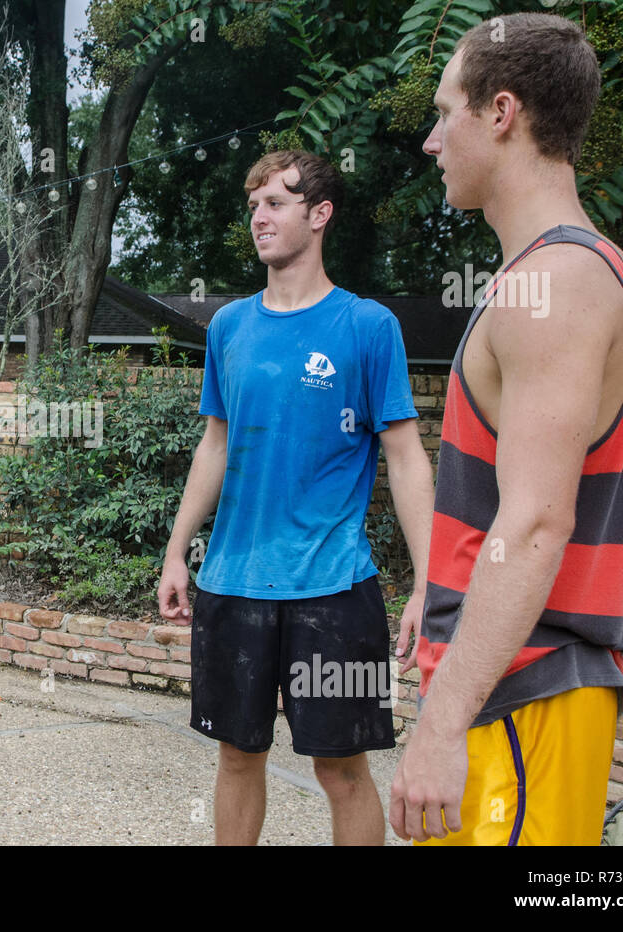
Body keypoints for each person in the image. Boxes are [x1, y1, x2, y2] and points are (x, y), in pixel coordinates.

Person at [390, 13, 623, 846]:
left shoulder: (560, 283)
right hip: (517, 693)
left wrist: (438, 725)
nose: (433, 141)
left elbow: (538, 522)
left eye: (445, 113)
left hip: (523, 697)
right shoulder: (562, 274)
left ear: (501, 113)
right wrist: (437, 592)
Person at [158, 150, 436, 846]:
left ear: (320, 215)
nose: (259, 217)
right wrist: (175, 549)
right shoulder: (229, 328)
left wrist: (432, 582)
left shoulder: (367, 327)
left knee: (342, 770)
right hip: (233, 581)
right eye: (253, 205)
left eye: (276, 202)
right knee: (235, 756)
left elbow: (405, 457)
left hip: (334, 588)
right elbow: (214, 446)